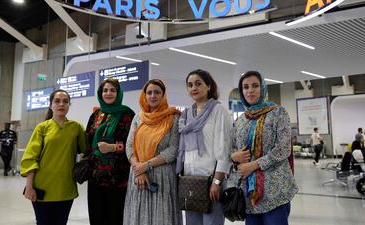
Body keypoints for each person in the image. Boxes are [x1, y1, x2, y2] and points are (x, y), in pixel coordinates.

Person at [231, 71, 298, 225]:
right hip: (249, 192)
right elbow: (233, 148)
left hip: (275, 189)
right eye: (245, 87)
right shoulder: (241, 120)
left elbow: (283, 149)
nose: (250, 90)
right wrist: (234, 157)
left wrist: (253, 165)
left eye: (255, 86)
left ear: (263, 88)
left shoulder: (278, 113)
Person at [21, 89, 86, 225]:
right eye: (57, 101)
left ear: (69, 105)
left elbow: (88, 150)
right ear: (51, 105)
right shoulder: (42, 128)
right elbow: (30, 158)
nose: (61, 104)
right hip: (42, 188)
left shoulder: (76, 127)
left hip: (65, 188)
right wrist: (29, 186)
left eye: (65, 101)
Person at [177, 69, 232, 225]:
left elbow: (224, 147)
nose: (194, 88)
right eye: (190, 85)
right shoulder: (186, 114)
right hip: (190, 181)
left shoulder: (218, 110)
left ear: (208, 86)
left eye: (198, 83)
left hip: (211, 181)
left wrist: (217, 182)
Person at [123, 79, 181, 225]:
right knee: (138, 215)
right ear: (144, 95)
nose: (152, 96)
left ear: (163, 95)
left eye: (157, 92)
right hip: (139, 176)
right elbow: (130, 146)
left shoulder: (173, 117)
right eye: (149, 92)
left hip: (163, 176)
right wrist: (139, 169)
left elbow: (173, 150)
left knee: (161, 216)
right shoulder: (138, 117)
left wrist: (146, 166)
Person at [85, 78, 135, 225]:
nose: (108, 93)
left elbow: (133, 144)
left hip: (118, 178)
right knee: (96, 217)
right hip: (95, 177)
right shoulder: (95, 116)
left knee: (116, 217)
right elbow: (88, 142)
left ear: (118, 93)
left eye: (113, 90)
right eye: (105, 90)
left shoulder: (128, 115)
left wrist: (113, 147)